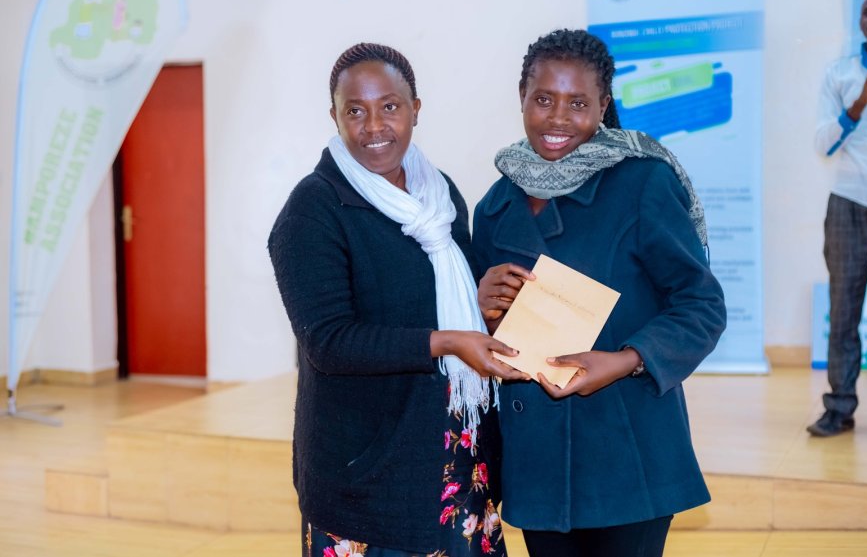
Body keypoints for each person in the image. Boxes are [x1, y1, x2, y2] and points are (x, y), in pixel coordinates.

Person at [471, 29, 726, 557]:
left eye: (578, 103)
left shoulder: (643, 182)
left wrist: (626, 361)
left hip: (628, 450)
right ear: (521, 97)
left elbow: (701, 305)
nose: (558, 119)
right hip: (537, 458)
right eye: (544, 99)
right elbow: (488, 340)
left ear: (604, 105)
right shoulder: (493, 207)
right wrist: (482, 303)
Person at [268, 43, 528, 557]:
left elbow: (437, 298)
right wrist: (447, 341)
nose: (373, 127)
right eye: (355, 111)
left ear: (415, 109)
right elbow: (328, 342)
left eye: (389, 106)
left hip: (455, 452)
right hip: (369, 472)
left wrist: (481, 298)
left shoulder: (440, 194)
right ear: (334, 117)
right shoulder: (314, 208)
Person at [808, 0, 867, 438]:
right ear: (861, 22)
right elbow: (822, 143)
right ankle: (839, 408)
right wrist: (860, 102)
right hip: (847, 202)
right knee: (843, 313)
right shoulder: (839, 73)